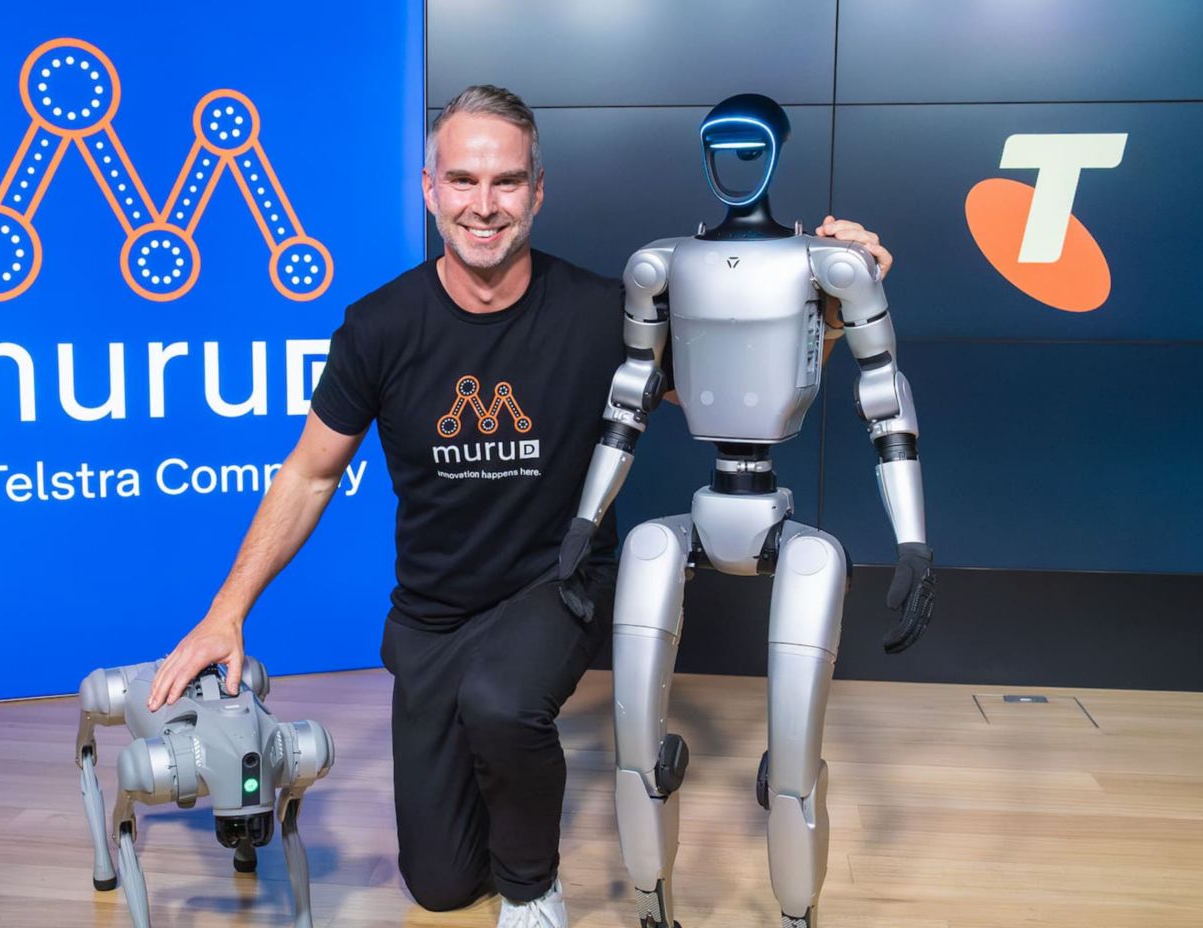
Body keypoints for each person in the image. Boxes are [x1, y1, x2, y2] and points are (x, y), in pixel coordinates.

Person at [146, 84, 893, 927]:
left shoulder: (602, 313)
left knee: (503, 703)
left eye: (506, 183)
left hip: (557, 581)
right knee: (439, 885)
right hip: (433, 616)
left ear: (538, 192)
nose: (483, 205)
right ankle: (512, 783)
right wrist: (226, 611)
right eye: (462, 181)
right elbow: (309, 475)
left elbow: (737, 387)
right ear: (429, 190)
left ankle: (538, 894)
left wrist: (829, 309)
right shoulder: (379, 328)